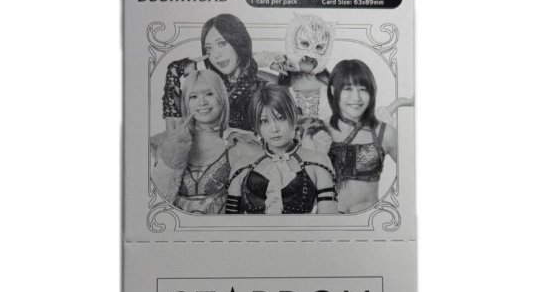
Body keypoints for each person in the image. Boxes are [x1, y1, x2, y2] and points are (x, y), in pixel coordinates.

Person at [151, 69, 257, 214]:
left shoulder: (240, 143)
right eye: (193, 96)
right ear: (186, 103)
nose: (202, 102)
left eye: (209, 94)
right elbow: (157, 202)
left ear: (221, 97)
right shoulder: (168, 143)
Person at [226, 85, 337, 215]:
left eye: (281, 118)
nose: (274, 129)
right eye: (264, 121)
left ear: (294, 117)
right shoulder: (241, 167)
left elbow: (328, 221)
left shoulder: (319, 162)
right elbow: (229, 223)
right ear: (256, 125)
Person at [162, 14, 263, 133]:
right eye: (209, 48)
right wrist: (173, 73)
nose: (216, 55)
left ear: (239, 41)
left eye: (222, 43)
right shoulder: (209, 86)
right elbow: (175, 129)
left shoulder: (263, 90)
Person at [326, 60, 398, 214]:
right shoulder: (318, 130)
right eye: (348, 89)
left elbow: (412, 172)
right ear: (333, 91)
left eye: (363, 89)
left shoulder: (385, 133)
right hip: (327, 222)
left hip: (368, 222)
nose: (356, 97)